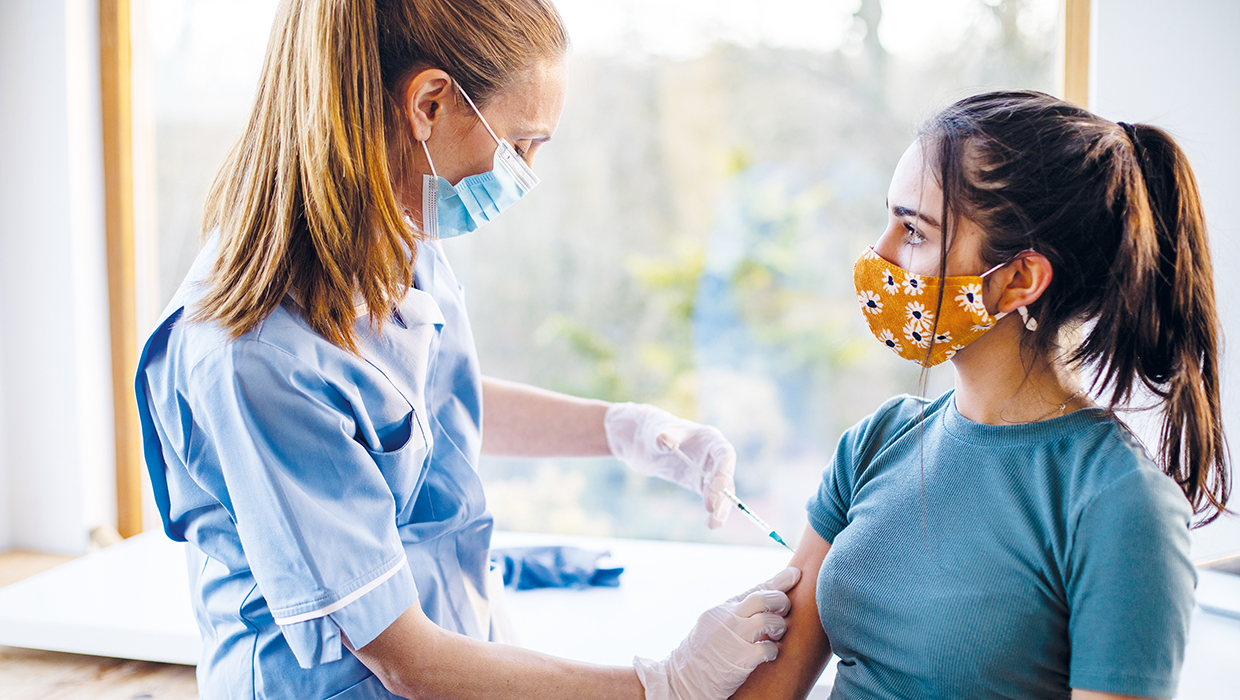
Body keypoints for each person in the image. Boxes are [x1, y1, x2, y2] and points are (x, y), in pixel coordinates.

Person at [134, 1, 799, 698]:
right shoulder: (255, 358)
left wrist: (624, 429)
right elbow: (406, 659)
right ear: (428, 103)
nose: (526, 173)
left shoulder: (399, 226)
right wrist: (666, 684)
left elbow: (422, 410)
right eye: (519, 144)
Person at [731, 90, 1231, 700]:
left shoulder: (1118, 502)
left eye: (913, 230)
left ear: (1018, 280)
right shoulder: (876, 442)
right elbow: (765, 691)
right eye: (888, 219)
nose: (879, 254)